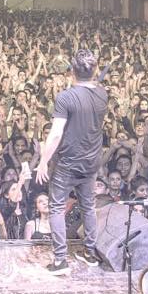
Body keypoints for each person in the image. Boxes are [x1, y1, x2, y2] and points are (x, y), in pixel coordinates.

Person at [35, 48, 107, 275]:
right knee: (88, 206)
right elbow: (94, 86)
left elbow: (56, 133)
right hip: (91, 161)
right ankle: (90, 253)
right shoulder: (102, 93)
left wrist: (43, 160)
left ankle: (60, 261)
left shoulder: (65, 97)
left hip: (67, 163)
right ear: (94, 70)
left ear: (71, 71)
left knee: (56, 207)